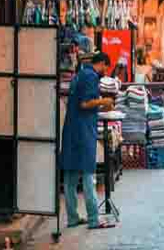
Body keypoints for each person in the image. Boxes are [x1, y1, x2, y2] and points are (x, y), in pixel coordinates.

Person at [58, 52, 116, 229]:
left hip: (71, 129)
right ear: (103, 64)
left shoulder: (80, 74)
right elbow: (85, 103)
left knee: (71, 176)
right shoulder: (91, 76)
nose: (106, 72)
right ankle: (93, 218)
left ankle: (73, 217)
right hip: (83, 131)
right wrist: (104, 101)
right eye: (107, 68)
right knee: (89, 174)